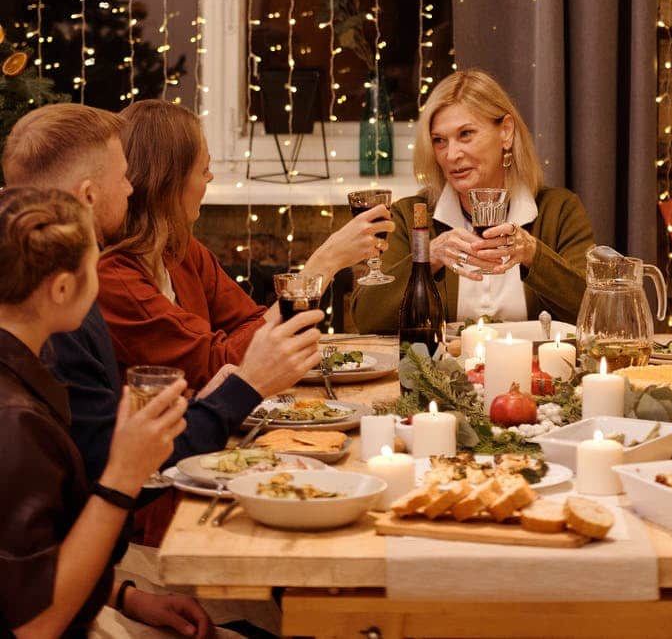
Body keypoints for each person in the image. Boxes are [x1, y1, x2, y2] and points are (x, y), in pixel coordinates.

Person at [2, 103, 325, 484]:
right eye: (122, 177)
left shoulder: (65, 302)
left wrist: (206, 399)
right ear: (88, 195)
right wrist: (241, 387)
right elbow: (116, 471)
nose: (130, 187)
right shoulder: (79, 306)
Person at [0, 184, 216, 638]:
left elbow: (28, 565)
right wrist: (124, 473)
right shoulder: (15, 421)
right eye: (94, 261)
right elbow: (35, 624)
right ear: (61, 288)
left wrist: (125, 595)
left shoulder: (30, 373)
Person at [97, 100, 394, 389]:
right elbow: (217, 363)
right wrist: (322, 266)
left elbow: (250, 322)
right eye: (203, 170)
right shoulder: (114, 279)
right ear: (168, 183)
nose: (210, 177)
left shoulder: (179, 248)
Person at [352, 68, 595, 331]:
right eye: (439, 141)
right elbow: (368, 319)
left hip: (535, 371)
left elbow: (594, 312)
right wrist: (428, 258)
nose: (451, 154)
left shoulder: (558, 211)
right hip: (442, 372)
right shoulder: (411, 215)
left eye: (466, 134)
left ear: (506, 132)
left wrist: (533, 254)